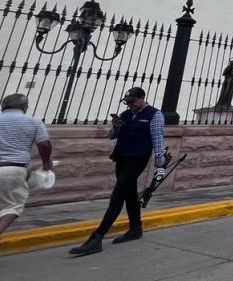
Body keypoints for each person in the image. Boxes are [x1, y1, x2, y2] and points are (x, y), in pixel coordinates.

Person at [71, 87, 166, 256]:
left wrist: (160, 159)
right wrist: (115, 127)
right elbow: (112, 136)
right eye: (128, 102)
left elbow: (157, 137)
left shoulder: (154, 114)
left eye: (133, 102)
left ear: (142, 98)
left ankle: (97, 237)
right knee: (129, 194)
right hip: (121, 157)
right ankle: (135, 228)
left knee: (117, 196)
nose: (130, 105)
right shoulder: (125, 115)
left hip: (138, 158)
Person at [0, 93, 53, 267]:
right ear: (24, 107)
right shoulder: (34, 122)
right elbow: (44, 144)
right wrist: (46, 163)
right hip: (11, 168)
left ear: (2, 107)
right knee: (12, 206)